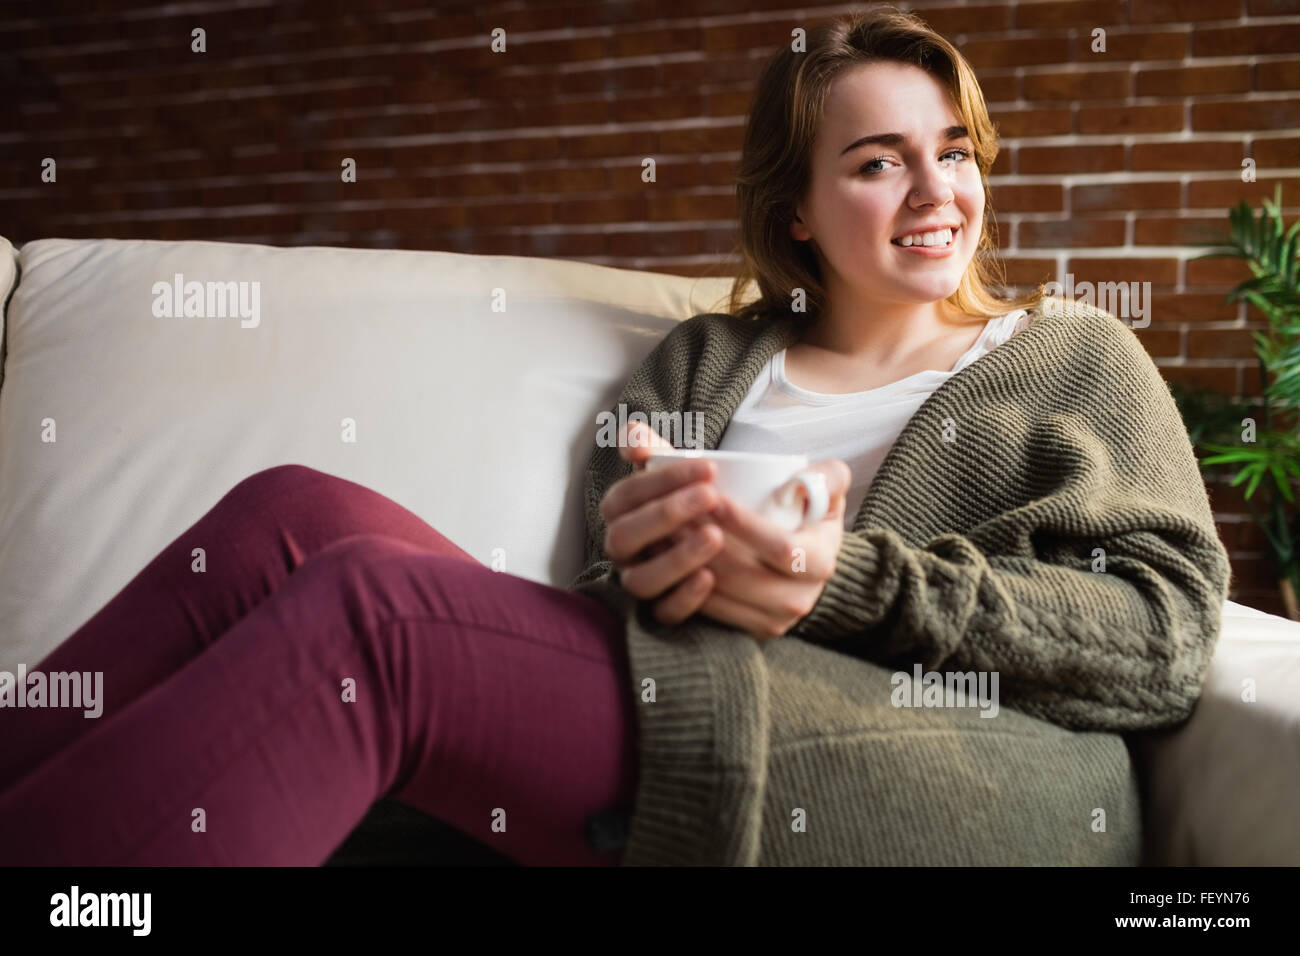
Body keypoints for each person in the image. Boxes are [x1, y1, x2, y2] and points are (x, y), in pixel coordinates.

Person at [0, 7, 1230, 867]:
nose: (935, 192)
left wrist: (834, 580)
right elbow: (607, 590)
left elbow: (1163, 637)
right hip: (691, 688)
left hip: (966, 766)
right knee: (294, 517)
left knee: (374, 613)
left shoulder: (1070, 353)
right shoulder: (701, 359)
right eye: (877, 162)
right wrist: (667, 555)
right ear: (796, 211)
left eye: (952, 152)